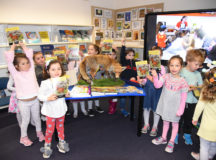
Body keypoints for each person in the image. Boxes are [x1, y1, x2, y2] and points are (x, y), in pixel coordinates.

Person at [4, 42, 44, 147]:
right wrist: (13, 46)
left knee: (37, 118)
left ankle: (39, 132)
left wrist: (23, 46)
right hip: (23, 103)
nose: (26, 64)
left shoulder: (31, 71)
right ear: (16, 66)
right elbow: (9, 62)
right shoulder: (15, 74)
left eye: (27, 63)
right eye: (23, 63)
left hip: (35, 100)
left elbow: (30, 57)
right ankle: (23, 137)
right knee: (25, 120)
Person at [151, 55, 188, 153]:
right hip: (165, 105)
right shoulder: (166, 76)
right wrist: (155, 76)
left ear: (181, 67)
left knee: (175, 124)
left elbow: (184, 98)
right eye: (171, 65)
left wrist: (181, 110)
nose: (174, 68)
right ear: (168, 66)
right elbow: (157, 85)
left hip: (175, 108)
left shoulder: (183, 81)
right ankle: (163, 138)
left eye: (177, 65)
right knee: (165, 122)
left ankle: (171, 141)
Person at [38, 60, 70, 159]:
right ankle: (47, 145)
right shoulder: (45, 83)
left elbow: (65, 92)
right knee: (49, 130)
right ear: (48, 71)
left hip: (60, 109)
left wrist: (67, 94)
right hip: (50, 111)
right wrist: (48, 98)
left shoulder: (63, 80)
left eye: (59, 69)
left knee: (60, 128)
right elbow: (40, 96)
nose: (56, 71)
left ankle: (61, 142)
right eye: (53, 69)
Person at [175, 49, 205, 145]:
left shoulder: (198, 74)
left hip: (193, 102)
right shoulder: (181, 71)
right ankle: (175, 134)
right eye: (196, 64)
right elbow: (176, 85)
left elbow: (201, 86)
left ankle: (187, 134)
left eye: (199, 65)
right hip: (181, 101)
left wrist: (198, 87)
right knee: (178, 119)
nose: (198, 67)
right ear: (188, 61)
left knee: (189, 120)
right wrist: (186, 88)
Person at [139, 46, 166, 136]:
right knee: (146, 108)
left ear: (161, 56)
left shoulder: (162, 68)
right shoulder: (146, 66)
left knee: (156, 109)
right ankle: (146, 124)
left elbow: (159, 82)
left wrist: (151, 76)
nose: (155, 58)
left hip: (157, 92)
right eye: (153, 55)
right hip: (147, 90)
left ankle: (155, 126)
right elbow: (144, 82)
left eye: (158, 55)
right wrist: (141, 81)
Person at [192, 67, 216, 160]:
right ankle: (209, 157)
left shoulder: (206, 91)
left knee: (204, 147)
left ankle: (203, 157)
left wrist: (195, 119)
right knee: (214, 145)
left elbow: (199, 107)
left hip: (206, 127)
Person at [119, 39, 137, 117]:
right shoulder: (124, 61)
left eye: (132, 55)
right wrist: (123, 45)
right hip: (124, 81)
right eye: (129, 55)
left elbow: (138, 72)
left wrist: (135, 78)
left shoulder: (135, 63)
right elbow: (122, 55)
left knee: (131, 97)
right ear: (125, 56)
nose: (131, 57)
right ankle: (122, 110)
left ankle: (131, 111)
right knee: (123, 97)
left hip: (132, 82)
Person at [85, 44, 104, 117]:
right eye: (89, 49)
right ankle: (90, 108)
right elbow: (85, 71)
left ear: (96, 52)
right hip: (90, 80)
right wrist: (90, 72)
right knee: (90, 94)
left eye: (91, 49)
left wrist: (102, 69)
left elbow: (103, 70)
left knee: (97, 93)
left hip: (97, 80)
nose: (89, 51)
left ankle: (97, 106)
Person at [107, 48, 118, 114]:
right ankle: (111, 105)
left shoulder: (116, 62)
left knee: (115, 95)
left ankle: (112, 108)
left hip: (115, 81)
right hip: (108, 81)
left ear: (115, 55)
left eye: (113, 54)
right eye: (110, 54)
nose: (112, 56)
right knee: (110, 95)